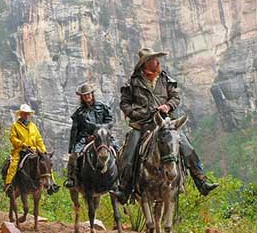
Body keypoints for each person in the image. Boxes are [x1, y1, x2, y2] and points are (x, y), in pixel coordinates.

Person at [113, 47, 219, 204]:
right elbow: (125, 104)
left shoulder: (165, 79)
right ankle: (124, 190)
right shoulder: (133, 82)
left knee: (187, 147)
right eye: (153, 59)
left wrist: (167, 107)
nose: (157, 62)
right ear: (146, 63)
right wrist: (139, 113)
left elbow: (176, 97)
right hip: (141, 125)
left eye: (156, 59)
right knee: (129, 155)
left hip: (166, 123)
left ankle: (201, 181)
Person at [64, 83, 119, 188]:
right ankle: (71, 178)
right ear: (81, 97)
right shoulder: (79, 113)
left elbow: (110, 120)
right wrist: (72, 148)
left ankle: (119, 179)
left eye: (89, 94)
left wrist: (101, 130)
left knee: (118, 150)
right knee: (74, 156)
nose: (87, 96)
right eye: (85, 95)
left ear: (92, 94)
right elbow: (74, 130)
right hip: (85, 138)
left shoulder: (103, 107)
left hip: (103, 136)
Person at [4, 104, 58, 194]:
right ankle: (9, 184)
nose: (26, 115)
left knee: (46, 163)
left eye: (27, 114)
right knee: (13, 164)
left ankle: (52, 184)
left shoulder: (33, 126)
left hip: (33, 150)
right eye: (24, 113)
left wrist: (44, 151)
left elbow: (38, 139)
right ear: (20, 114)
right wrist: (22, 144)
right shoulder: (15, 126)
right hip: (20, 150)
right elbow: (12, 138)